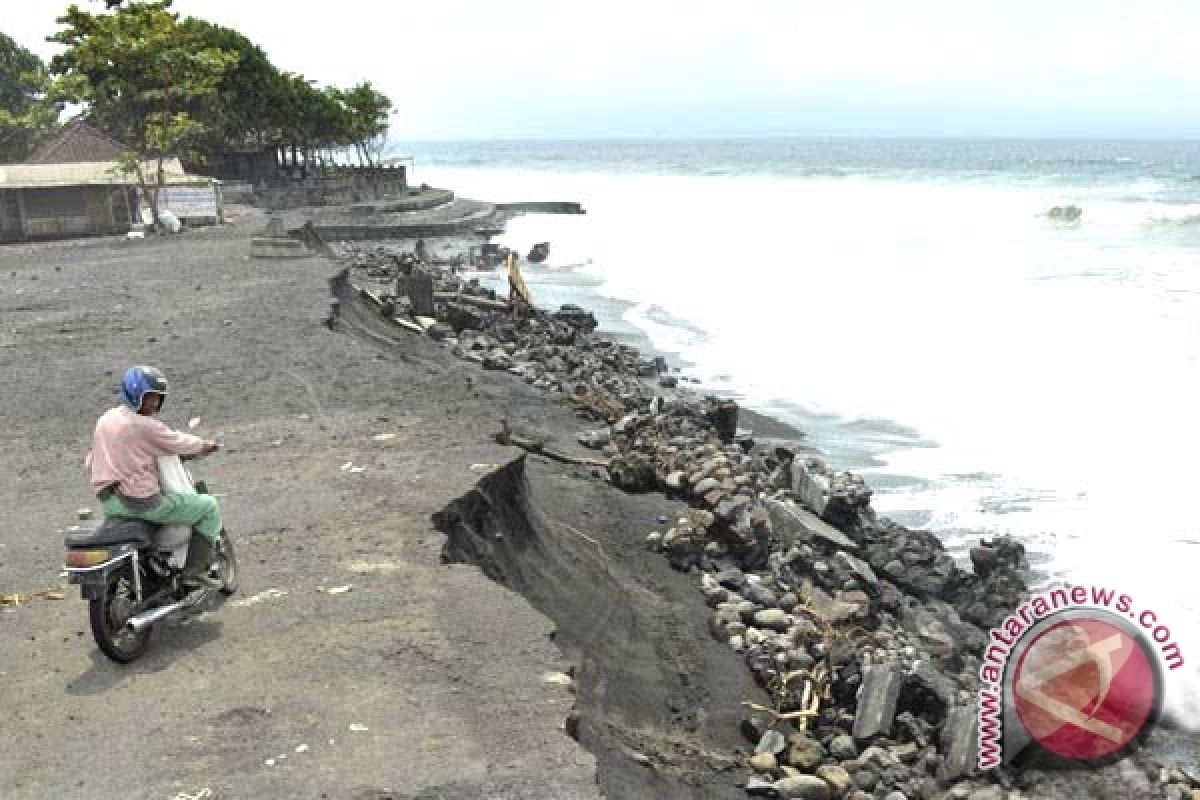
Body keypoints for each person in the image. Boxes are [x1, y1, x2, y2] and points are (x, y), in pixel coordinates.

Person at [86, 366, 223, 589]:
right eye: (148, 398)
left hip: (109, 501)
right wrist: (205, 445)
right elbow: (176, 442)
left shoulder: (106, 419)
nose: (153, 404)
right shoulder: (144, 425)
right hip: (140, 503)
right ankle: (193, 573)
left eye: (157, 399)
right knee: (208, 507)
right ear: (134, 394)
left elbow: (91, 459)